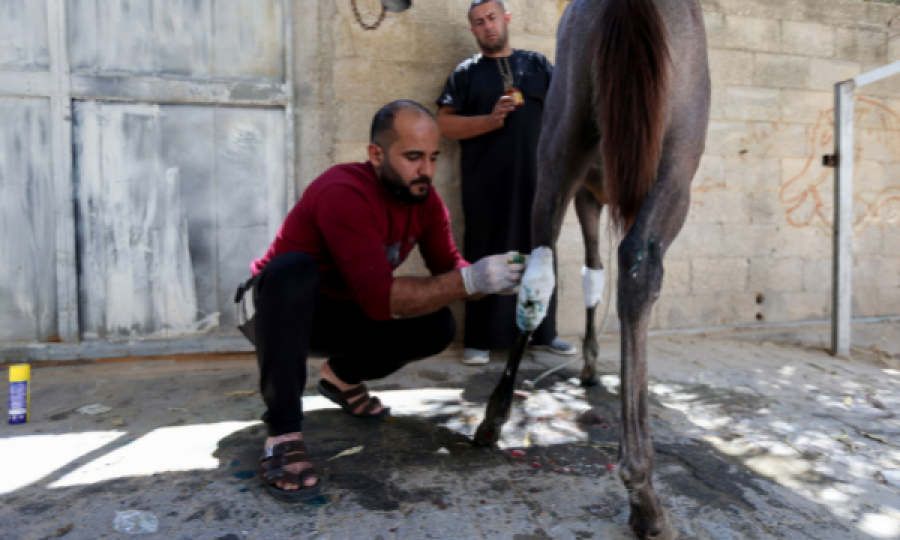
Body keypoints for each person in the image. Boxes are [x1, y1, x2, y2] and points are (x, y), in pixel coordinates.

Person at [235, 100, 525, 502]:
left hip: (338, 313)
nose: (426, 170)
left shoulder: (425, 200)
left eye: (432, 157)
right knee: (292, 270)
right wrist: (470, 279)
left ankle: (341, 376)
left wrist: (499, 279)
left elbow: (449, 269)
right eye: (412, 157)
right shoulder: (343, 191)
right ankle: (283, 434)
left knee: (437, 325)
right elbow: (378, 299)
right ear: (376, 154)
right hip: (270, 309)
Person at [437, 0, 575, 366]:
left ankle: (544, 334)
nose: (488, 27)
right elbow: (443, 124)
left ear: (506, 19)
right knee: (487, 252)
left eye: (493, 18)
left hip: (539, 178)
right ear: (473, 30)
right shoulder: (466, 73)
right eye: (479, 22)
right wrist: (489, 121)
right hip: (486, 185)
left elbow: (567, 108)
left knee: (541, 250)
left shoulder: (538, 65)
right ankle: (481, 339)